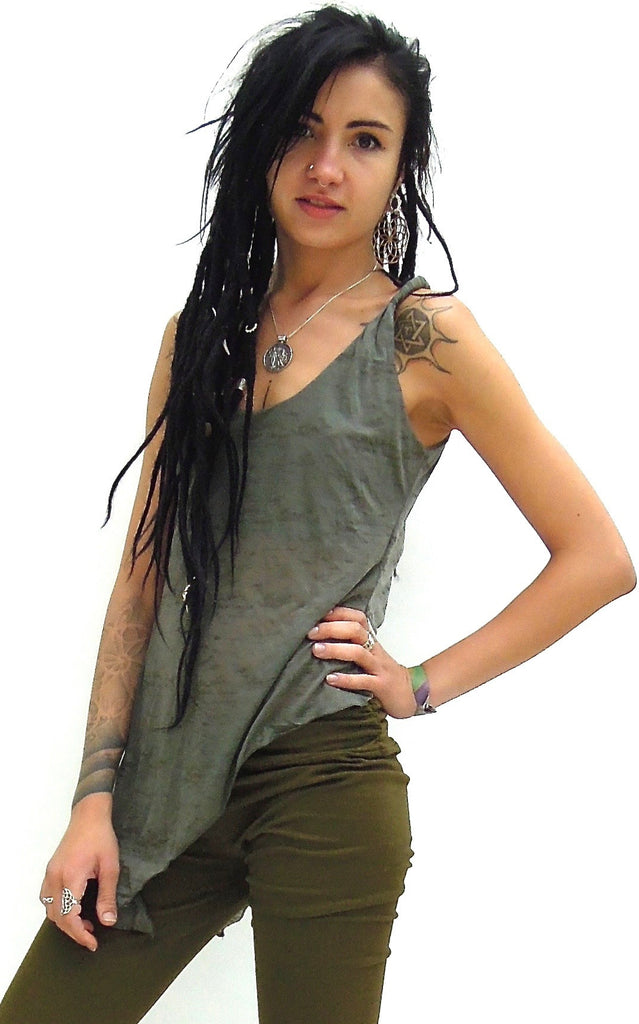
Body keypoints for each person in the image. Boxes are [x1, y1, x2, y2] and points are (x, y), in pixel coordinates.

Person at [1, 6, 634, 1023]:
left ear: (401, 165)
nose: (326, 165)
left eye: (364, 139)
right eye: (302, 129)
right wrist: (93, 796)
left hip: (323, 781)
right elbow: (142, 580)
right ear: (261, 141)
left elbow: (598, 557)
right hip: (166, 789)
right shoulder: (199, 338)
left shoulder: (425, 340)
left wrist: (419, 683)